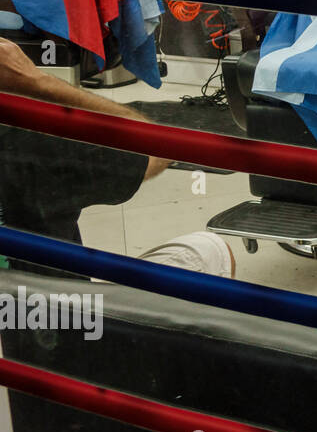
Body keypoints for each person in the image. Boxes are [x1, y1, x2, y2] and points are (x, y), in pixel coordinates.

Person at [0, 37, 234, 278]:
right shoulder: (30, 139)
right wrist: (36, 82)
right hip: (53, 310)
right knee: (210, 251)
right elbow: (153, 146)